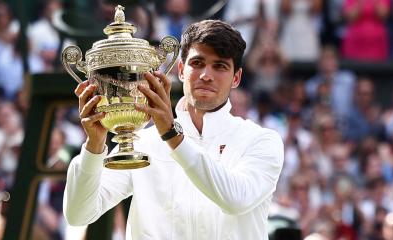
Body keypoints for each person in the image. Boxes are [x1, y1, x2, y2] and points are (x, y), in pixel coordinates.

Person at [63, 19, 284, 240]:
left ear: (236, 78)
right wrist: (94, 145)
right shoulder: (143, 143)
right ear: (180, 70)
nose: (206, 75)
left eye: (220, 66)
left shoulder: (262, 141)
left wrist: (171, 134)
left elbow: (236, 199)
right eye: (197, 63)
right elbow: (78, 214)